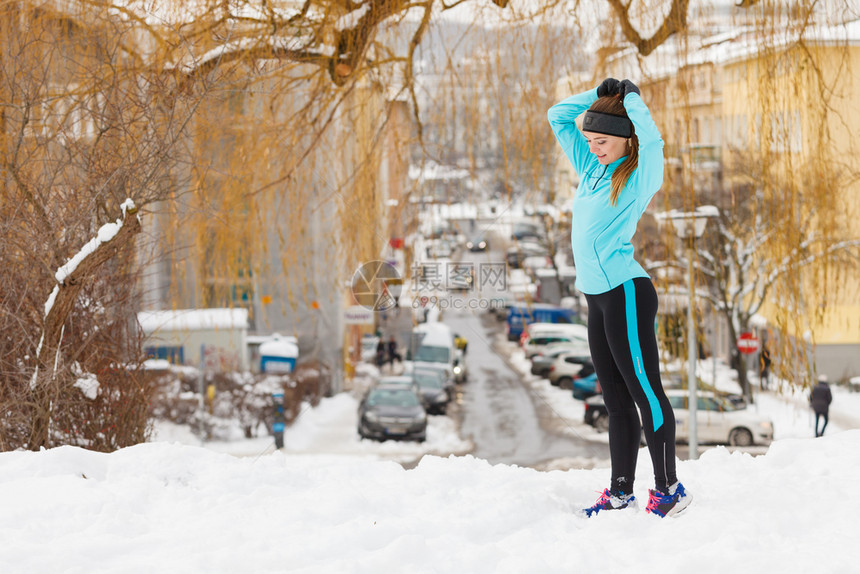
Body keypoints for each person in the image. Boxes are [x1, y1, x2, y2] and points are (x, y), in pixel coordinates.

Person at [547, 78, 691, 518]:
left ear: (625, 138)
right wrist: (595, 94)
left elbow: (655, 141)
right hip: (597, 297)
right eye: (590, 140)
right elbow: (558, 116)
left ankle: (670, 489)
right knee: (615, 399)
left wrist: (632, 100)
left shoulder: (638, 172)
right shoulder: (591, 168)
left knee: (645, 392)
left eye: (603, 141)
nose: (593, 147)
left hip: (626, 292)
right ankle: (621, 491)